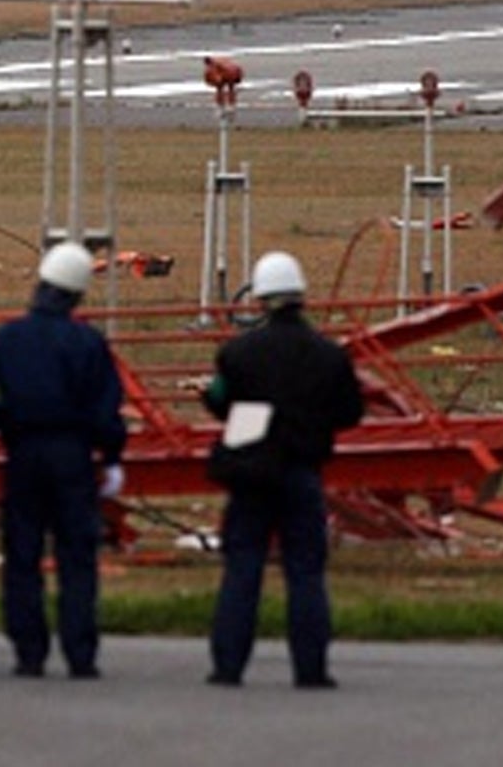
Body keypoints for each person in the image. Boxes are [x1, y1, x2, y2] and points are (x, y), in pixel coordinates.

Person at [202, 250, 364, 690]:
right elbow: (351, 410)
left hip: (252, 471)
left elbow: (218, 400)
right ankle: (311, 669)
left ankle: (228, 665)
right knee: (306, 572)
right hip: (302, 470)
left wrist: (252, 417)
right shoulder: (329, 356)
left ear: (259, 298)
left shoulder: (238, 354)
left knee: (243, 568)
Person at [0, 240, 127, 680]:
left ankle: (29, 651)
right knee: (77, 556)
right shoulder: (87, 344)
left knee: (22, 554)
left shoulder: (6, 340)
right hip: (72, 458)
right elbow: (106, 408)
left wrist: (1, 422)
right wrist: (113, 456)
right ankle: (80, 653)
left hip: (22, 454)